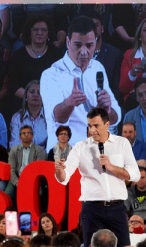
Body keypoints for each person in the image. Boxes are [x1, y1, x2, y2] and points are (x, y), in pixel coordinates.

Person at [54, 107, 140, 247]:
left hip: (117, 208)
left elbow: (135, 174)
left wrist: (112, 167)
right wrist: (60, 170)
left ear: (107, 124)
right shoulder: (81, 147)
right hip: (92, 210)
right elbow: (64, 177)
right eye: (89, 126)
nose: (92, 130)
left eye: (96, 125)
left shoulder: (122, 143)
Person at [41, 16, 121, 149]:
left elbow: (114, 118)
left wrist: (107, 109)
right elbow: (57, 118)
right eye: (78, 45)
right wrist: (69, 103)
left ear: (96, 42)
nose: (84, 51)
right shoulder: (51, 74)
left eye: (89, 45)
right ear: (67, 42)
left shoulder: (98, 68)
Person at [9, 15, 62, 111]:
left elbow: (61, 83)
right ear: (29, 32)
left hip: (50, 104)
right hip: (23, 105)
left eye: (43, 30)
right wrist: (30, 98)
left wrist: (44, 98)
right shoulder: (18, 56)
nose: (39, 33)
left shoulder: (57, 55)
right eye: (36, 30)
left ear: (48, 33)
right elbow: (13, 85)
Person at [88, 11, 123, 101]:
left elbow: (117, 88)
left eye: (96, 25)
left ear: (102, 29)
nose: (93, 29)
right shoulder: (77, 54)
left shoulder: (114, 54)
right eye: (89, 26)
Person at [7, 125, 47, 201]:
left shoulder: (39, 150)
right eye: (24, 133)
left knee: (40, 194)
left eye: (29, 133)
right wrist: (17, 183)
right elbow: (11, 169)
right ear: (20, 136)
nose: (26, 135)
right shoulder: (14, 150)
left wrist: (29, 182)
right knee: (8, 194)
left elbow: (39, 170)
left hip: (33, 179)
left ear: (32, 136)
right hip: (17, 178)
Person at [9, 80, 47, 149]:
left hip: (44, 157)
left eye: (39, 92)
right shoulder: (17, 118)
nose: (35, 95)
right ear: (26, 96)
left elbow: (53, 146)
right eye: (32, 92)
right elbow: (14, 145)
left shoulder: (51, 118)